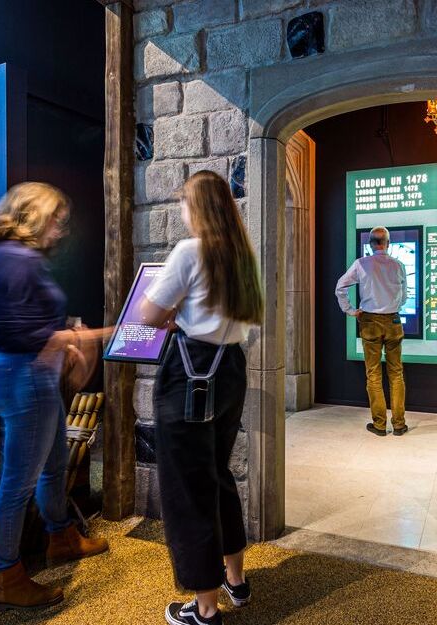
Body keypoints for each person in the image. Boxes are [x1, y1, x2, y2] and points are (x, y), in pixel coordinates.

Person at [139, 171, 264, 625]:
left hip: (190, 370)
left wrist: (173, 316)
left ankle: (205, 607)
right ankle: (235, 579)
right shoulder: (242, 255)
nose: (182, 213)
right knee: (216, 473)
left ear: (200, 208)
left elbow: (150, 313)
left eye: (185, 204)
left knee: (187, 486)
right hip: (229, 369)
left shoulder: (191, 252)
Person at [0, 182, 110, 611]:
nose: (60, 230)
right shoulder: (17, 260)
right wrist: (90, 335)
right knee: (18, 483)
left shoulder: (5, 257)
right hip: (26, 378)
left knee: (54, 465)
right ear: (35, 215)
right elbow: (22, 334)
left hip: (25, 375)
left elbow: (25, 325)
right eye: (57, 220)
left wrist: (67, 337)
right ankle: (6, 576)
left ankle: (61, 537)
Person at [335, 226, 409, 436]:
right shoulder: (398, 265)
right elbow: (404, 295)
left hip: (370, 322)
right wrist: (396, 306)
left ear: (370, 244)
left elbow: (340, 286)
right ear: (388, 243)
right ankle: (399, 424)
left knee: (374, 374)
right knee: (396, 373)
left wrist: (349, 310)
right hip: (393, 320)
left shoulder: (362, 263)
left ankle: (379, 425)